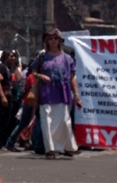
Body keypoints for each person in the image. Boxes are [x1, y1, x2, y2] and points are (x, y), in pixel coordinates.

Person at [30, 28, 82, 159]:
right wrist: (41, 76)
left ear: (60, 40)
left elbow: (72, 77)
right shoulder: (42, 57)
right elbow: (33, 72)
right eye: (50, 38)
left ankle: (68, 147)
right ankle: (50, 150)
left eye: (55, 38)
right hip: (46, 92)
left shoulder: (67, 58)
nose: (53, 41)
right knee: (47, 122)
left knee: (65, 121)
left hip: (62, 92)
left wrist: (76, 94)